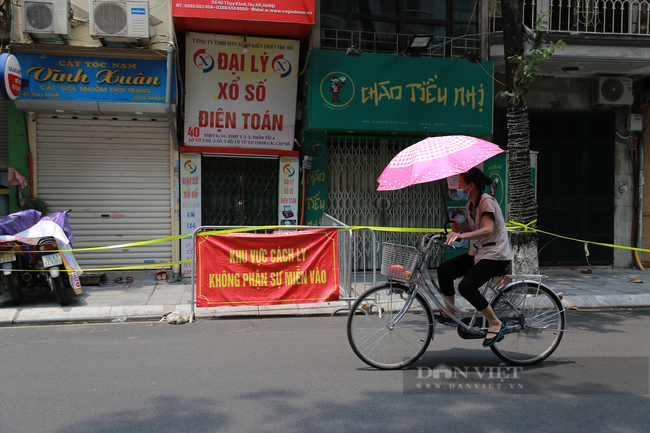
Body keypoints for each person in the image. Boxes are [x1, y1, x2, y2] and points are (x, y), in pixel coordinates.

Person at [436, 167, 513, 347]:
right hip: (480, 252)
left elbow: (487, 230)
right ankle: (450, 313)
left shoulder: (486, 202)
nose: (457, 187)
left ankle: (495, 322)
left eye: (461, 183)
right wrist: (462, 229)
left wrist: (462, 236)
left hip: (495, 255)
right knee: (444, 270)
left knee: (466, 287)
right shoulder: (470, 204)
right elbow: (478, 229)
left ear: (470, 186)